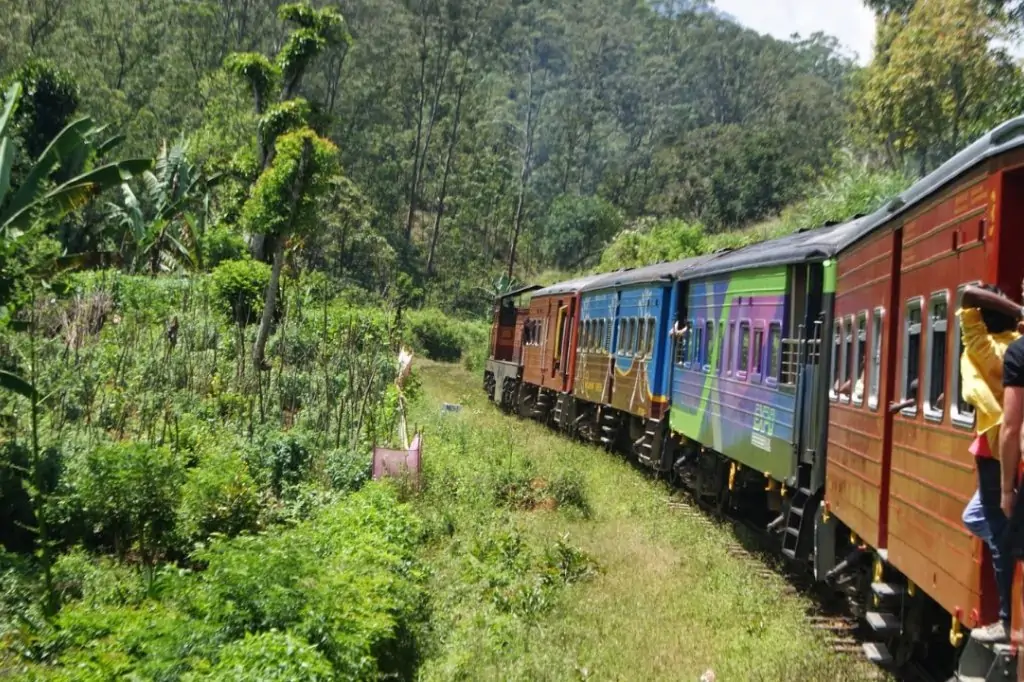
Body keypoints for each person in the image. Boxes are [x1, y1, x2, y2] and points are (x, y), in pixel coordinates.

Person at [956, 284, 1023, 643]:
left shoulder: (984, 347)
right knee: (980, 519)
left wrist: (1016, 307)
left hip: (995, 449)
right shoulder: (1017, 342)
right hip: (1002, 447)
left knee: (997, 533)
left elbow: (966, 295)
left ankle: (1007, 616)